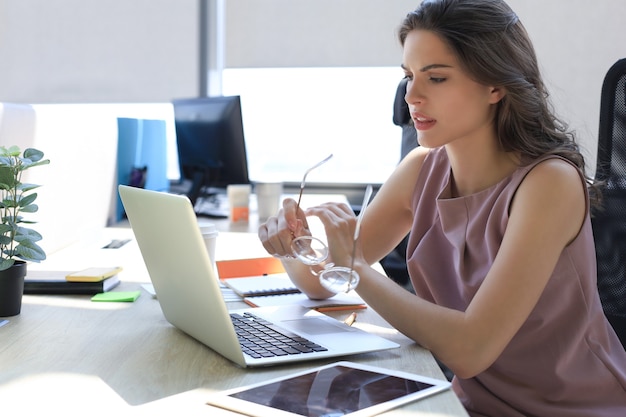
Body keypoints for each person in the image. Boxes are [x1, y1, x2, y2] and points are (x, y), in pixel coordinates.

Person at [258, 0, 626, 415]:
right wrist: (296, 245)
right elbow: (321, 284)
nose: (411, 96)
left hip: (575, 409)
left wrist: (355, 269)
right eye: (408, 77)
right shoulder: (420, 170)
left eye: (435, 78)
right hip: (467, 404)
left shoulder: (549, 183)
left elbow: (470, 349)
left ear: (495, 85)